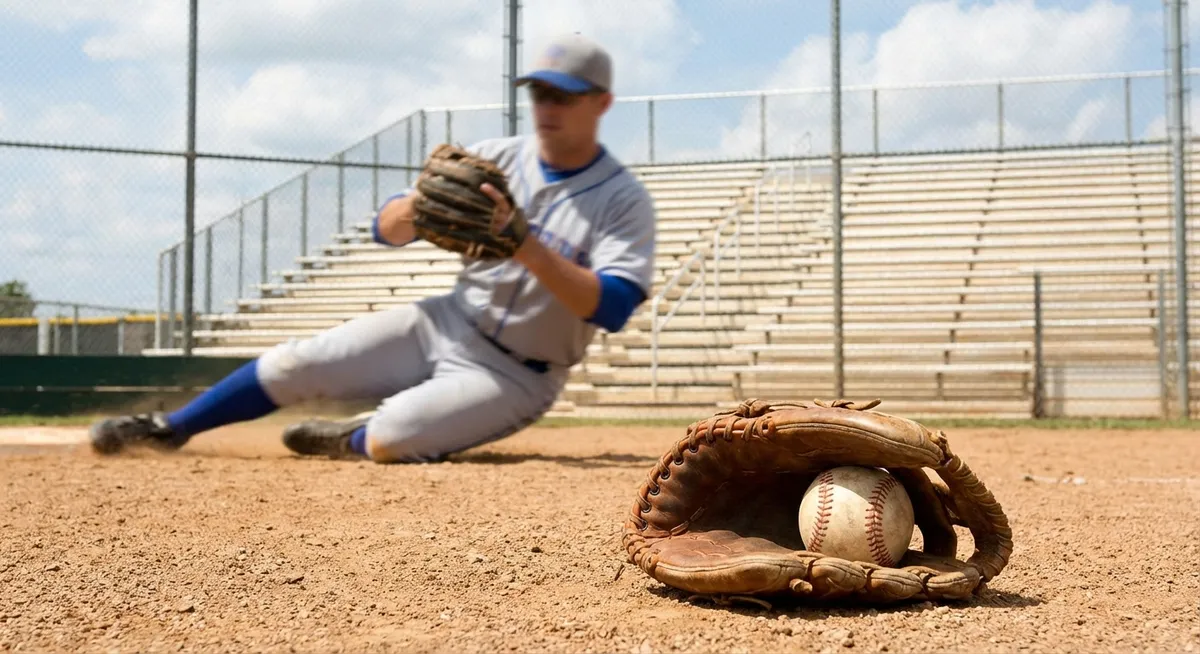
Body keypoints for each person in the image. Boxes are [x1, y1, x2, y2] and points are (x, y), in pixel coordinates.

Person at [88, 33, 657, 463]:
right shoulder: (497, 158)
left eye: (565, 95)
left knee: (394, 438)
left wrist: (527, 246)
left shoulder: (623, 200)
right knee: (296, 362)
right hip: (444, 321)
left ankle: (352, 436)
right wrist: (416, 207)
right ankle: (171, 427)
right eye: (539, 92)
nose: (547, 106)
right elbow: (386, 231)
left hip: (519, 374)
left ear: (602, 103)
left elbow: (612, 306)